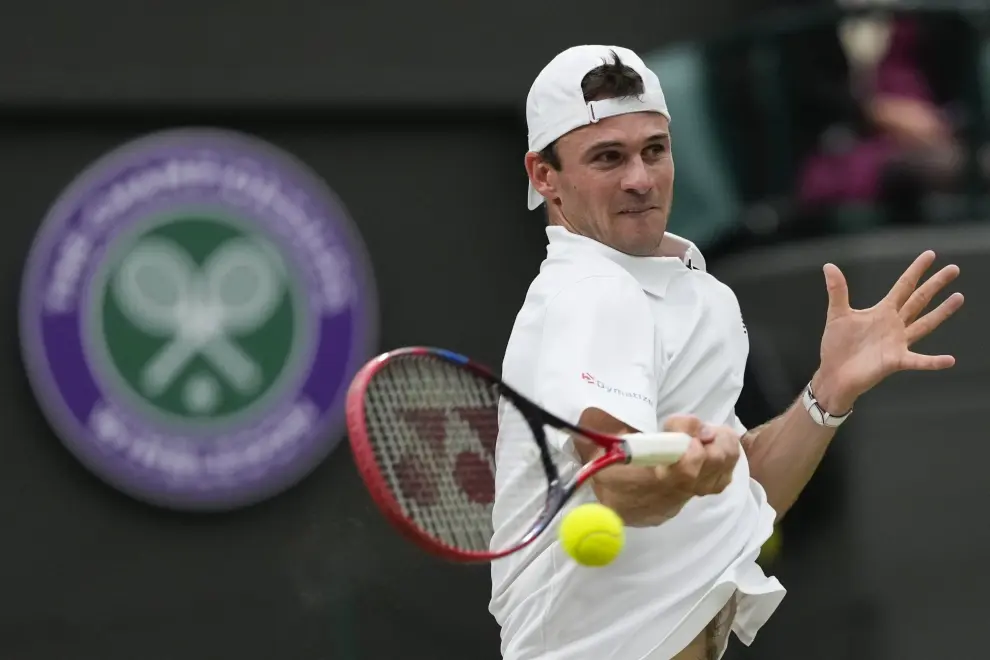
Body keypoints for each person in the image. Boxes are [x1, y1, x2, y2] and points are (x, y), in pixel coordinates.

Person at [488, 44, 964, 660]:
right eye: (608, 157)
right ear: (543, 176)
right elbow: (620, 486)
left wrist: (828, 392)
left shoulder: (695, 294)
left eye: (654, 150)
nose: (640, 178)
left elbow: (744, 495)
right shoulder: (592, 293)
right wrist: (684, 478)